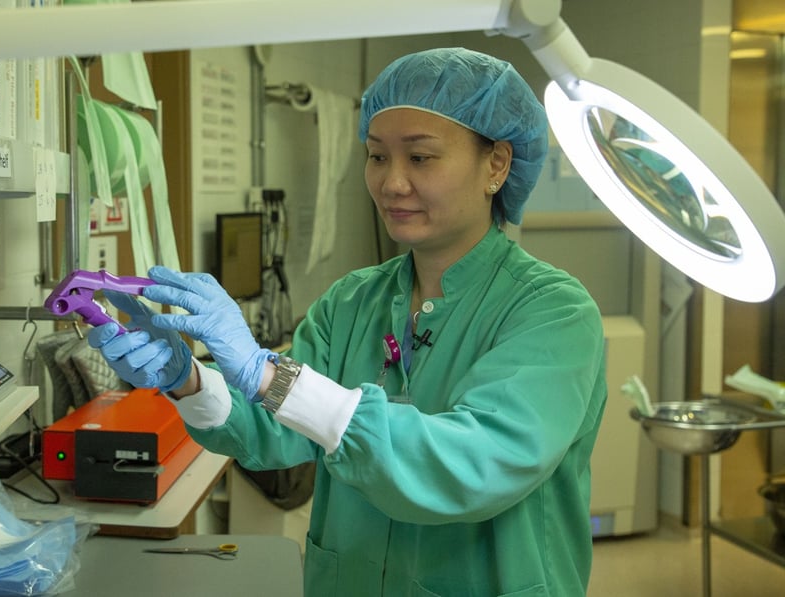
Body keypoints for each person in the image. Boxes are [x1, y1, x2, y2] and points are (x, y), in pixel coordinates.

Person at [89, 47, 607, 597]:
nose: (391, 183)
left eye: (421, 158)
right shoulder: (352, 301)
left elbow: (474, 465)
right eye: (377, 156)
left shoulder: (552, 313)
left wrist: (270, 375)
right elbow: (280, 433)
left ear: (497, 165)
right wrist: (187, 379)